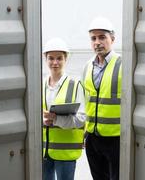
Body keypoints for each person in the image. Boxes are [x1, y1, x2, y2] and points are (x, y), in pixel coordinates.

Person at [82, 17, 122, 180]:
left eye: (102, 37)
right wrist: (85, 134)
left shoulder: (123, 64)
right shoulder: (87, 66)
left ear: (112, 39)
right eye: (93, 38)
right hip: (93, 138)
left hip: (116, 139)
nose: (97, 42)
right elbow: (86, 103)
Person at [42, 37, 86, 180]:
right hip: (43, 151)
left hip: (65, 153)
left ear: (66, 59)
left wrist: (55, 119)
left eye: (59, 58)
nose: (55, 62)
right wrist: (43, 120)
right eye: (51, 58)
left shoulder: (75, 85)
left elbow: (81, 119)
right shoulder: (40, 85)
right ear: (45, 59)